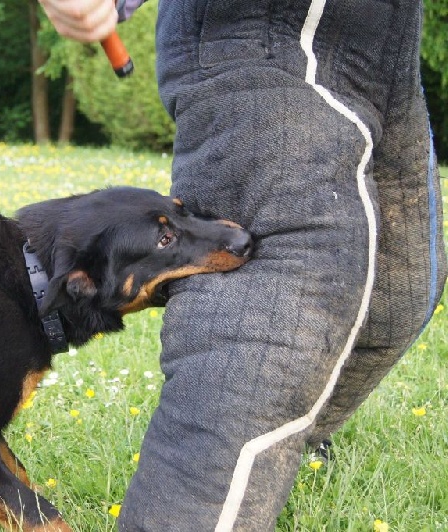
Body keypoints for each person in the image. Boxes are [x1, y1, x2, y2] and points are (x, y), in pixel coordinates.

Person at [38, 0, 446, 530]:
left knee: (395, 293)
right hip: (261, 39)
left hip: (380, 46)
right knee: (258, 323)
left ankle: (287, 444)